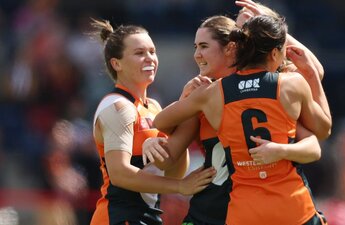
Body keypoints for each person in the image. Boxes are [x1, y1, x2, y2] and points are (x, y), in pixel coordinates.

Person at [153, 15, 331, 225]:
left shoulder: (209, 96)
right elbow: (166, 156)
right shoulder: (207, 94)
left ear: (231, 48)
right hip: (222, 209)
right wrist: (154, 140)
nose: (197, 55)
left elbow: (314, 137)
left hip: (243, 209)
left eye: (203, 46)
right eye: (195, 47)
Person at [88, 19, 216, 225]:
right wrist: (181, 186)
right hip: (120, 217)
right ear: (116, 63)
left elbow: (174, 169)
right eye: (139, 53)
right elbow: (120, 174)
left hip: (148, 215)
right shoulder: (118, 107)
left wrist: (184, 110)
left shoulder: (154, 106)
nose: (150, 58)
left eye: (152, 51)